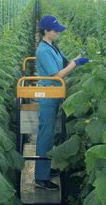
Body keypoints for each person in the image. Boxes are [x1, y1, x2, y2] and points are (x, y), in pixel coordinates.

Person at [34, 15, 90, 190]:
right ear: (46, 32)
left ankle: (46, 169)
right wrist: (75, 63)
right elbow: (57, 75)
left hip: (55, 93)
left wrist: (78, 58)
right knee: (45, 134)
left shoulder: (53, 46)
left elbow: (66, 64)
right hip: (48, 94)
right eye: (55, 30)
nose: (58, 33)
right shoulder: (43, 50)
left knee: (50, 134)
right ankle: (40, 177)